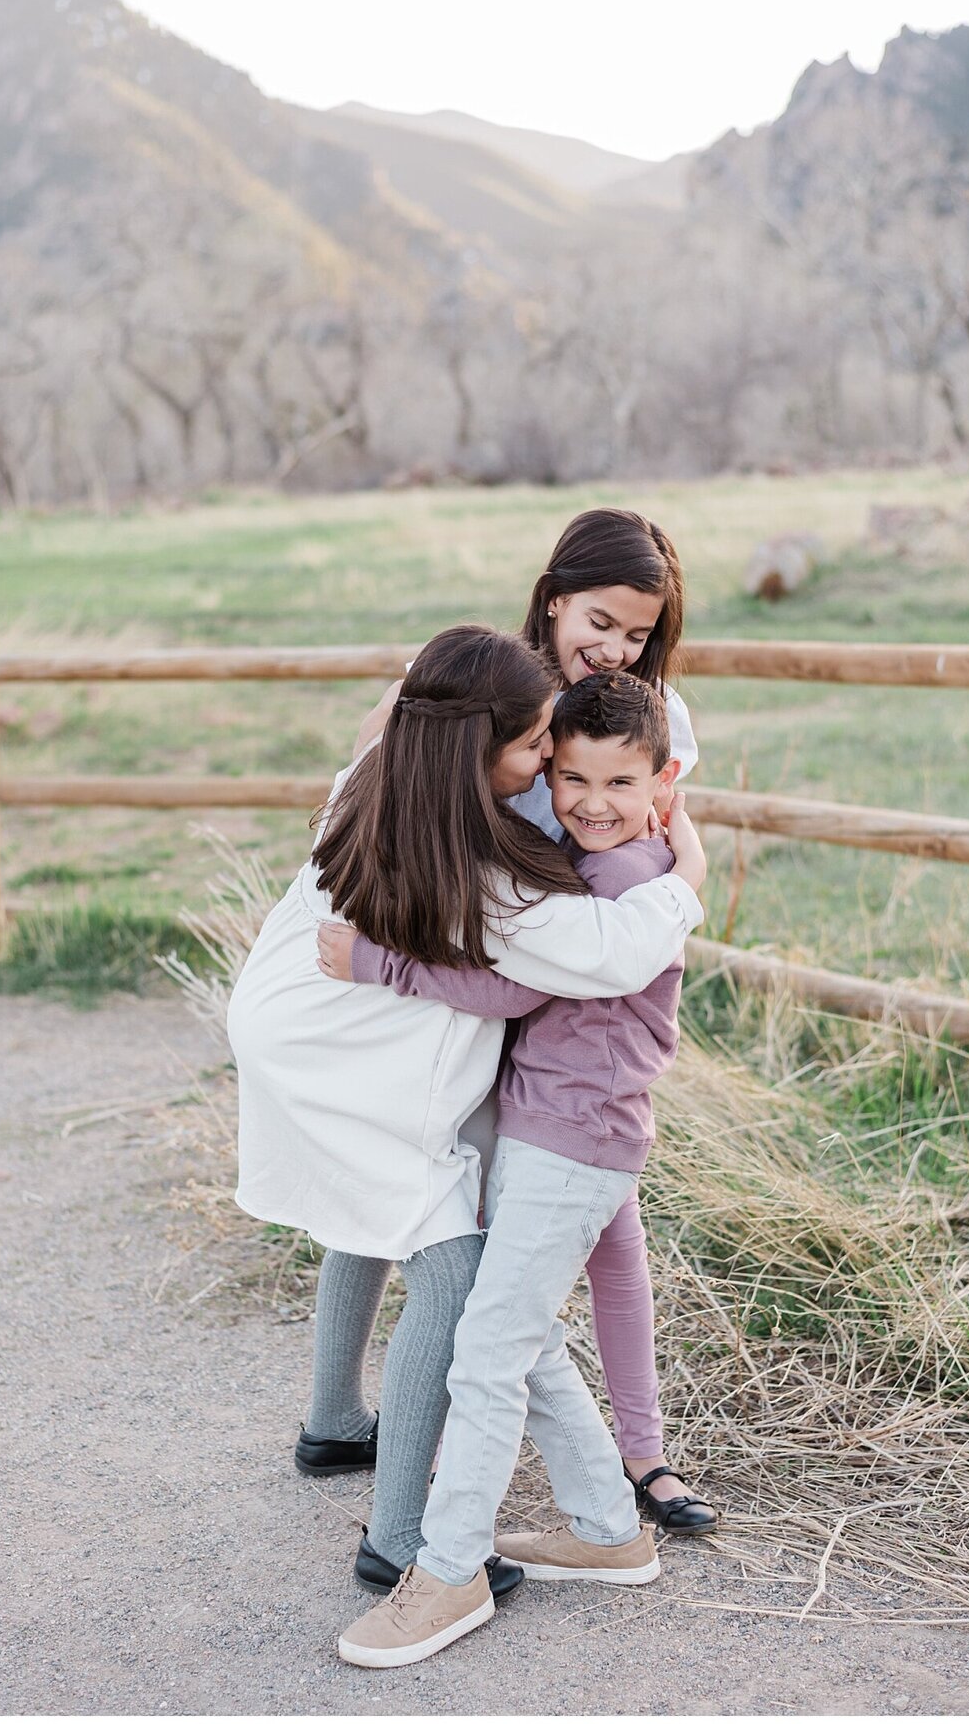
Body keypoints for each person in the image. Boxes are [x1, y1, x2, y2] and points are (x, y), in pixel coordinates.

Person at [226, 625, 705, 1606]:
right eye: (533, 746)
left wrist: (430, 676)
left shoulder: (385, 775)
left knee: (377, 1211)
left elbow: (394, 703)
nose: (543, 767)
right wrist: (684, 879)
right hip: (342, 1059)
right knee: (449, 1266)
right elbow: (611, 954)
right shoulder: (479, 873)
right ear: (474, 751)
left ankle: (333, 1424)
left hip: (287, 1017)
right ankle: (402, 1541)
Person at [349, 507, 708, 1529]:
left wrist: (685, 869)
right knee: (445, 1224)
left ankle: (638, 1455)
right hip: (485, 989)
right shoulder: (499, 693)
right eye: (601, 619)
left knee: (597, 1244)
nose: (616, 644)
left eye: (638, 632)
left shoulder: (640, 722)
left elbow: (655, 853)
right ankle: (400, 1442)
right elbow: (402, 775)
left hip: (566, 1018)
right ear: (555, 596)